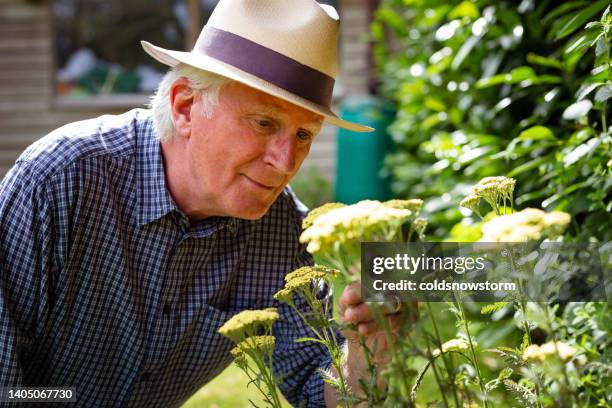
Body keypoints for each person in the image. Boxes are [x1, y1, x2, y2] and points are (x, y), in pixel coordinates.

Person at [0, 0, 405, 406]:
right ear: (185, 107)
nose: (285, 163)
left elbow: (316, 390)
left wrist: (368, 352)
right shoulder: (60, 179)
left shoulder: (280, 229)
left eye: (303, 135)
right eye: (265, 123)